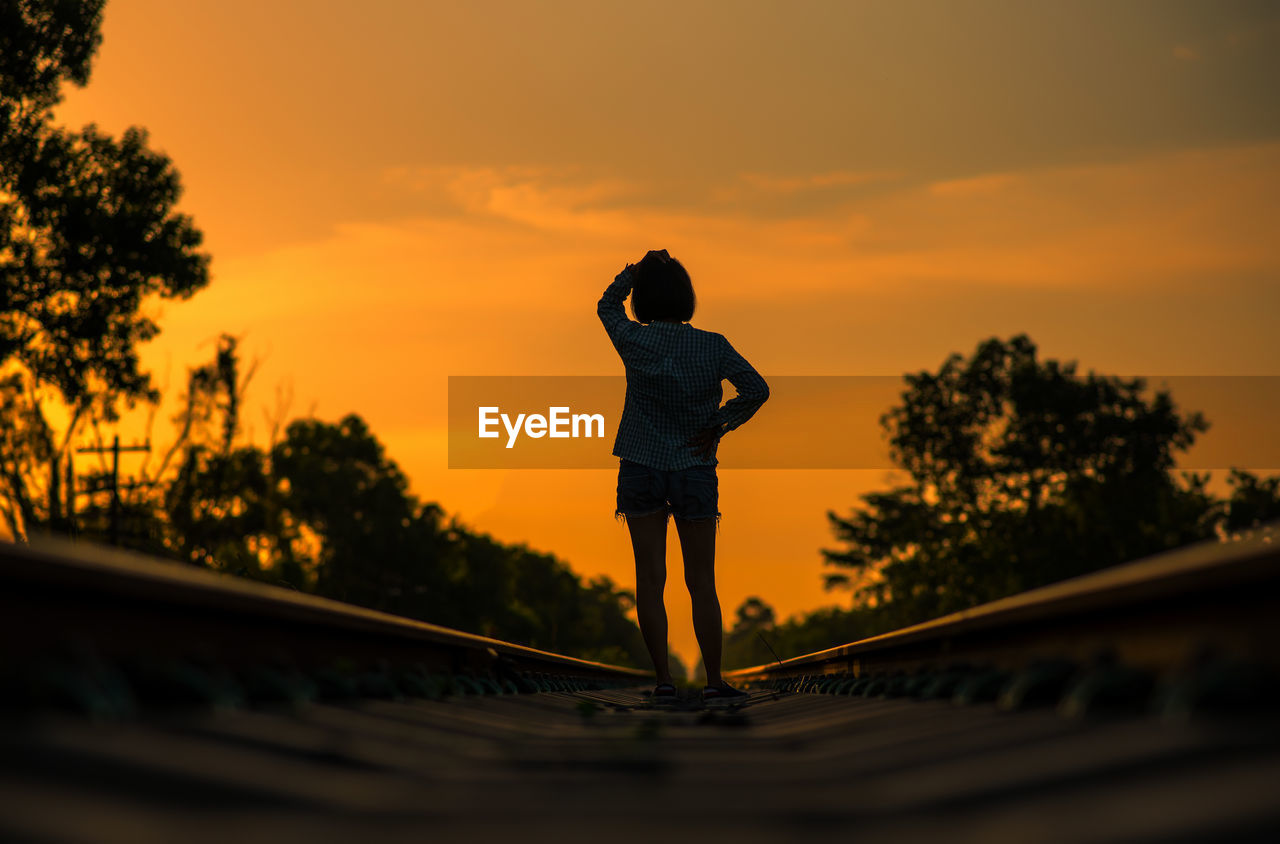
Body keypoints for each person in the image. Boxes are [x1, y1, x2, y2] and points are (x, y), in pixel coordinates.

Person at [597, 249, 770, 707]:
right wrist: (719, 424)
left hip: (640, 466)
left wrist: (633, 272)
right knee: (701, 581)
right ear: (687, 297)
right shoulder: (713, 345)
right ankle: (714, 680)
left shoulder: (634, 340)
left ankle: (665, 682)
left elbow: (606, 306)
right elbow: (757, 389)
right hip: (695, 470)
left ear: (645, 299)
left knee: (650, 579)